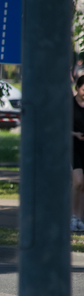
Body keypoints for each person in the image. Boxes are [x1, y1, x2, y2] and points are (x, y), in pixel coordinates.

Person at [72, 75, 84, 231]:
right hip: (72, 146)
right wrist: (74, 134)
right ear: (77, 88)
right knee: (78, 182)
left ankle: (80, 219)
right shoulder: (69, 105)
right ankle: (72, 216)